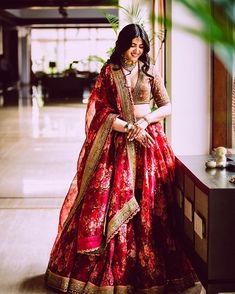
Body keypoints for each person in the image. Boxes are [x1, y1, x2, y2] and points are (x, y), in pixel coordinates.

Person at [45, 24, 201, 293]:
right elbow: (100, 111)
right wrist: (129, 127)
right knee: (102, 202)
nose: (136, 51)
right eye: (132, 45)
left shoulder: (151, 71)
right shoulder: (110, 72)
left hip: (149, 142)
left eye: (141, 47)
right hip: (117, 142)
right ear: (122, 44)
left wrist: (144, 122)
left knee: (151, 204)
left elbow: (167, 106)